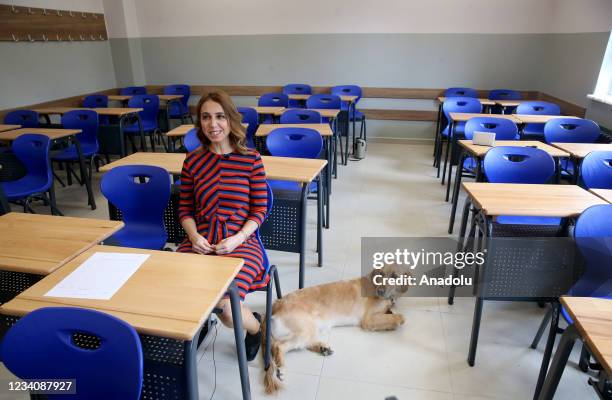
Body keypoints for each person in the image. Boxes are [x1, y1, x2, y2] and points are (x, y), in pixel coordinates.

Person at [177, 91, 268, 361]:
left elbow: (260, 209)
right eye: (206, 117)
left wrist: (238, 238)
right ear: (199, 123)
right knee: (173, 289)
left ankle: (255, 328)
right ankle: (197, 325)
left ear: (230, 120)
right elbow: (185, 209)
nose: (212, 124)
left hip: (241, 243)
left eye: (219, 116)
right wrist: (193, 236)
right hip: (201, 242)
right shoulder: (192, 161)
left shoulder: (251, 159)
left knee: (228, 311)